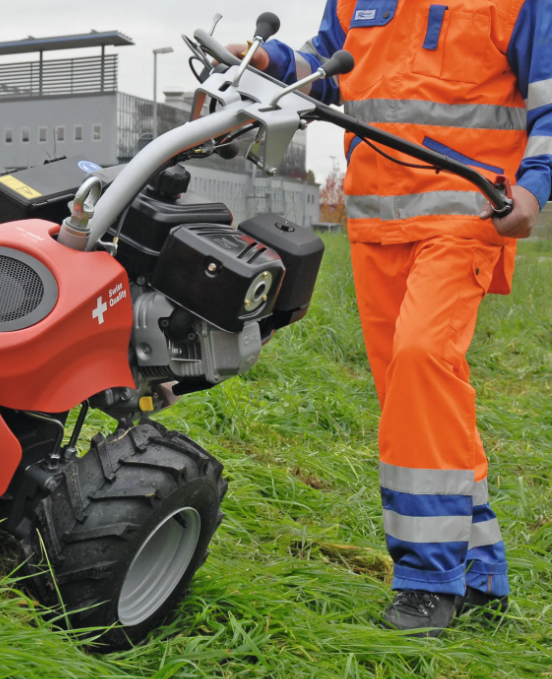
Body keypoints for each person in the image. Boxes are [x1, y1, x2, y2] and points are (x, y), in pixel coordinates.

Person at [227, 0, 551, 635]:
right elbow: (328, 68)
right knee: (413, 398)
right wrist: (271, 61)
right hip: (376, 223)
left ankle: (428, 578)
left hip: (467, 215)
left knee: (423, 358)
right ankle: (480, 571)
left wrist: (536, 186)